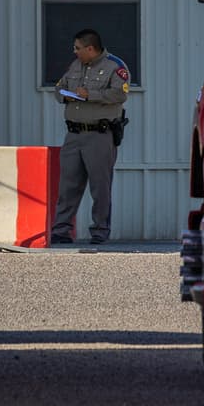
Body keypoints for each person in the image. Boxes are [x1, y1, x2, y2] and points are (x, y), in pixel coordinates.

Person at [50, 29, 130, 245]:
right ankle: (61, 230)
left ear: (90, 48)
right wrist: (66, 94)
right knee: (68, 185)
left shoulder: (115, 66)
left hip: (99, 135)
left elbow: (120, 94)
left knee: (99, 186)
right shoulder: (76, 66)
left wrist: (90, 95)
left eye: (78, 48)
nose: (74, 52)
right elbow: (60, 88)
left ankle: (99, 230)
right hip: (74, 134)